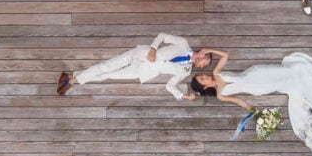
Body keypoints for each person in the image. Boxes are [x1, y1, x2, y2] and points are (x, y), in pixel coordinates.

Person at [191, 51, 312, 156]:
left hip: (256, 73)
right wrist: (251, 110)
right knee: (290, 80)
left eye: (202, 75)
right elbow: (239, 100)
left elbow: (225, 55)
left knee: (289, 72)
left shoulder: (216, 73)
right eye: (203, 80)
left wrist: (208, 50)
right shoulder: (221, 95)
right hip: (257, 88)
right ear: (205, 88)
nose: (205, 76)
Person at [58, 33, 213, 100]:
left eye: (203, 66)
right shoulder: (183, 43)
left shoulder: (186, 71)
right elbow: (162, 36)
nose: (200, 66)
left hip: (142, 71)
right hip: (142, 54)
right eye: (203, 62)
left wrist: (183, 96)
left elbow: (170, 86)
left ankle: (72, 77)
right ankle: (70, 82)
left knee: (108, 75)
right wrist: (153, 48)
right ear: (202, 54)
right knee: (106, 66)